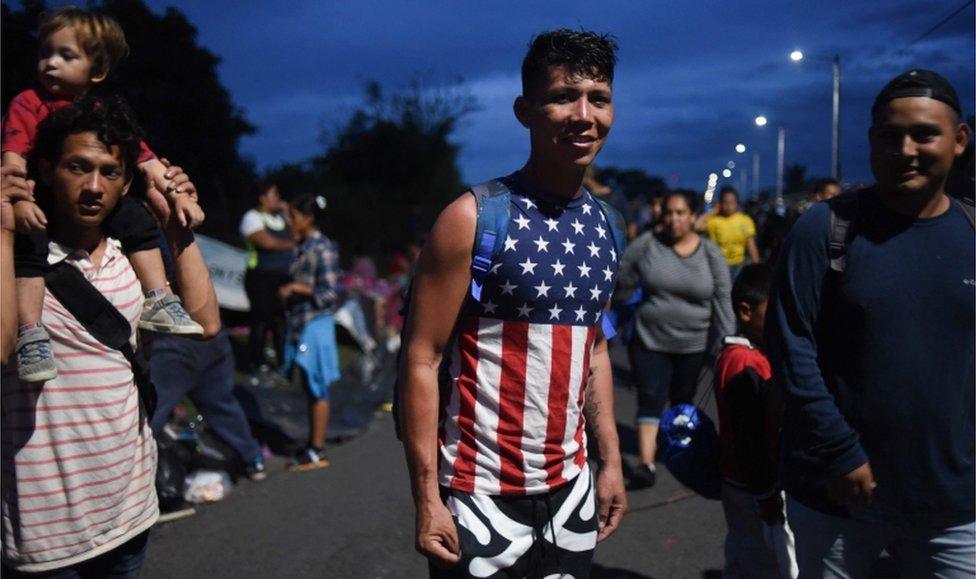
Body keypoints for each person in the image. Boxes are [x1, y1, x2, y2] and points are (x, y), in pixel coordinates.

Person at [399, 29, 627, 578]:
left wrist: (611, 461)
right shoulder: (473, 217)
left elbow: (593, 350)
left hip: (570, 491)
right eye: (561, 97)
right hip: (478, 494)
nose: (582, 114)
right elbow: (421, 359)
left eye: (597, 98)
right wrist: (427, 498)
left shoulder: (609, 226)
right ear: (525, 110)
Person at [765, 69, 974, 578]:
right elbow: (790, 346)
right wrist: (839, 452)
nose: (905, 149)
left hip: (953, 505)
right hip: (839, 496)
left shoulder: (972, 232)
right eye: (889, 135)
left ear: (960, 140)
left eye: (924, 134)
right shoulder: (825, 227)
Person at [1, 96, 219, 576]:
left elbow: (206, 324)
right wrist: (3, 223)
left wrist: (176, 222)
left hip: (131, 511)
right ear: (45, 167)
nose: (94, 187)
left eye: (110, 172)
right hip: (46, 533)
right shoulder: (18, 260)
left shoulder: (134, 256)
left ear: (127, 181)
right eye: (78, 167)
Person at [2, 6, 205, 384]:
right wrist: (18, 199)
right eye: (45, 52)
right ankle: (31, 333)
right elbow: (12, 157)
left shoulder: (100, 113)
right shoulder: (27, 102)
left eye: (66, 55)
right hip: (37, 199)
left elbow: (146, 160)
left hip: (75, 207)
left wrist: (180, 197)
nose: (50, 64)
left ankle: (157, 298)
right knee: (29, 250)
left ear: (96, 72)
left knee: (137, 220)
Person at [617, 189, 734, 489]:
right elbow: (621, 278)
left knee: (682, 400)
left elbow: (722, 298)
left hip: (693, 344)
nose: (673, 219)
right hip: (648, 339)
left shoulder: (709, 252)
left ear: (694, 217)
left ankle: (678, 453)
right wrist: (626, 306)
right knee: (650, 398)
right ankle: (646, 464)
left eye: (680, 213)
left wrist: (726, 342)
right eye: (669, 212)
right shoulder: (647, 245)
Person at [713, 264, 796, 579]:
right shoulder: (745, 364)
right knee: (767, 560)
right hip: (753, 484)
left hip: (739, 479)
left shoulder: (738, 355)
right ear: (746, 312)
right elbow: (749, 436)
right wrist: (766, 493)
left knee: (744, 549)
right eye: (773, 310)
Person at [148, 330, 267, 481]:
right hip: (212, 338)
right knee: (223, 407)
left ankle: (132, 468)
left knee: (152, 413)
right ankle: (252, 458)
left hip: (172, 344)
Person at [279, 194, 341, 471]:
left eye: (293, 216)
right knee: (308, 385)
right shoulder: (301, 246)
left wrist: (298, 289)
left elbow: (329, 294)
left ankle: (318, 450)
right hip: (301, 323)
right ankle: (313, 445)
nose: (289, 222)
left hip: (316, 324)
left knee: (317, 386)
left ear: (308, 218)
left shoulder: (322, 248)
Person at [239, 181, 294, 378]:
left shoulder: (281, 218)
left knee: (281, 321)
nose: (278, 199)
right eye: (274, 194)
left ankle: (283, 362)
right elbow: (267, 242)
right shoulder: (252, 218)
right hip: (260, 278)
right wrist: (291, 243)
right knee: (261, 320)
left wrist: (288, 214)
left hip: (283, 277)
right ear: (263, 197)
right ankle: (257, 362)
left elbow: (297, 232)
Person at [703, 186, 760, 279]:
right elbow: (697, 226)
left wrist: (757, 268)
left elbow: (751, 246)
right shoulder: (713, 221)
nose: (729, 205)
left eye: (732, 202)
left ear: (737, 202)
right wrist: (713, 211)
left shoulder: (745, 220)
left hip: (740, 265)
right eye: (725, 202)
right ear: (720, 203)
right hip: (719, 265)